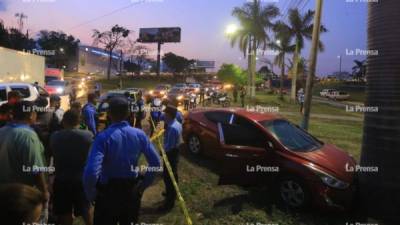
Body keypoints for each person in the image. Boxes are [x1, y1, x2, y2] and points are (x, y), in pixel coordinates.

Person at [83, 97, 161, 225]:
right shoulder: (140, 134)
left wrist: (91, 194)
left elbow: (91, 172)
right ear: (129, 114)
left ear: (109, 114)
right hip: (130, 192)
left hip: (107, 194)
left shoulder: (102, 137)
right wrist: (143, 186)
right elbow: (156, 163)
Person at [0, 101, 49, 203]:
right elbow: (35, 168)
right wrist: (44, 191)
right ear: (31, 115)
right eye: (35, 113)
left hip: (4, 192)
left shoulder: (2, 131)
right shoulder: (28, 135)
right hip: (23, 194)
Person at [50, 110, 93, 225]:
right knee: (86, 210)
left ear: (63, 121)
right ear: (79, 121)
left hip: (61, 180)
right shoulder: (87, 136)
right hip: (81, 179)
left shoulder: (55, 137)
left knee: (65, 213)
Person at [159, 105, 183, 211]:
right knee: (173, 174)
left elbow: (170, 145)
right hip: (175, 152)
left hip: (170, 153)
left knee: (168, 177)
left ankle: (169, 203)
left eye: (165, 113)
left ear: (169, 115)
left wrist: (162, 151)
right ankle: (172, 193)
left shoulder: (172, 128)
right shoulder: (176, 123)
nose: (163, 115)